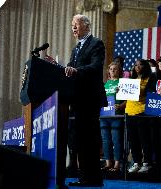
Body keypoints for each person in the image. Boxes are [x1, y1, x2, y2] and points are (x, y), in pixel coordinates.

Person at [64, 14, 107, 187]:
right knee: (80, 140)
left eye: (76, 24)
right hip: (77, 100)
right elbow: (69, 68)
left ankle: (94, 179)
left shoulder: (96, 43)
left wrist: (76, 70)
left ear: (86, 26)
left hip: (90, 99)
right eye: (72, 25)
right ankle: (85, 178)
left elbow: (96, 67)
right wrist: (58, 67)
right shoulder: (76, 49)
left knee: (90, 139)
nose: (73, 27)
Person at [126, 59, 153, 174]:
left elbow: (151, 94)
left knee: (144, 139)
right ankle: (137, 163)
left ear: (145, 66)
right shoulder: (131, 80)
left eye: (140, 65)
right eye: (135, 65)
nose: (137, 67)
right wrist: (120, 90)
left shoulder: (149, 79)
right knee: (133, 140)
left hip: (142, 112)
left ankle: (147, 163)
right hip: (129, 111)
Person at [100, 62, 125, 174]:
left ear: (119, 71)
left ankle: (117, 164)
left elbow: (128, 99)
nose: (113, 71)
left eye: (115, 69)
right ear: (108, 71)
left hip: (117, 115)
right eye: (111, 69)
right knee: (106, 141)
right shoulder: (105, 84)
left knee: (116, 140)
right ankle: (108, 163)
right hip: (104, 115)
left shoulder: (122, 83)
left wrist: (120, 105)